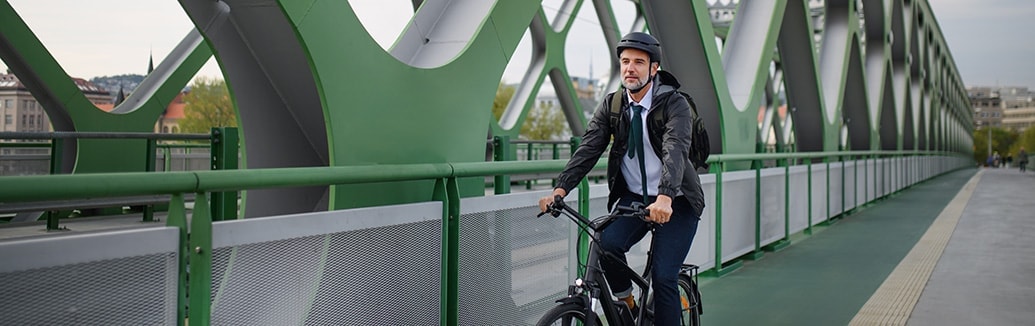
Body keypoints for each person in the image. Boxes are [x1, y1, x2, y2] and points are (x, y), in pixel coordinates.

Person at [538, 32, 705, 325]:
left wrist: (665, 197)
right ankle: (626, 303)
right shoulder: (613, 105)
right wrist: (560, 189)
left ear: (654, 69)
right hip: (634, 200)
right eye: (625, 61)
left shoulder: (673, 104)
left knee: (664, 277)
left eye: (639, 62)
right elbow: (589, 148)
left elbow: (675, 149)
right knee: (604, 244)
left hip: (675, 201)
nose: (630, 68)